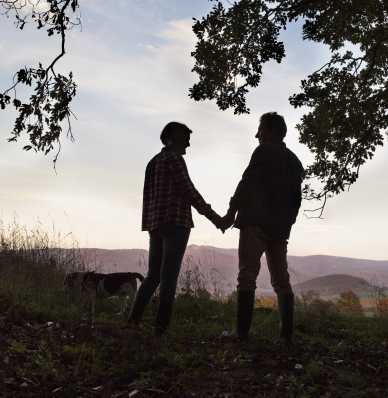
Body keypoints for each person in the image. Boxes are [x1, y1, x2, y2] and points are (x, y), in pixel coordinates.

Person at [127, 122, 226, 335]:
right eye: (185, 139)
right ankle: (161, 329)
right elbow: (190, 192)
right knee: (169, 276)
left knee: (153, 275)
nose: (188, 144)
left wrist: (151, 223)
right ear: (171, 139)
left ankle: (132, 321)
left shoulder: (153, 162)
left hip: (156, 225)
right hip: (176, 223)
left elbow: (148, 197)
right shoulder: (175, 159)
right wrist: (215, 218)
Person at [222, 112, 304, 343]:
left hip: (256, 222)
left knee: (247, 275)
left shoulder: (264, 151)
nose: (257, 135)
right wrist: (288, 221)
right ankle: (286, 337)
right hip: (280, 227)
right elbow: (297, 198)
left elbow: (247, 182)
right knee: (281, 279)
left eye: (260, 130)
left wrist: (231, 211)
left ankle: (241, 333)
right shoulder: (294, 161)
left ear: (271, 132)